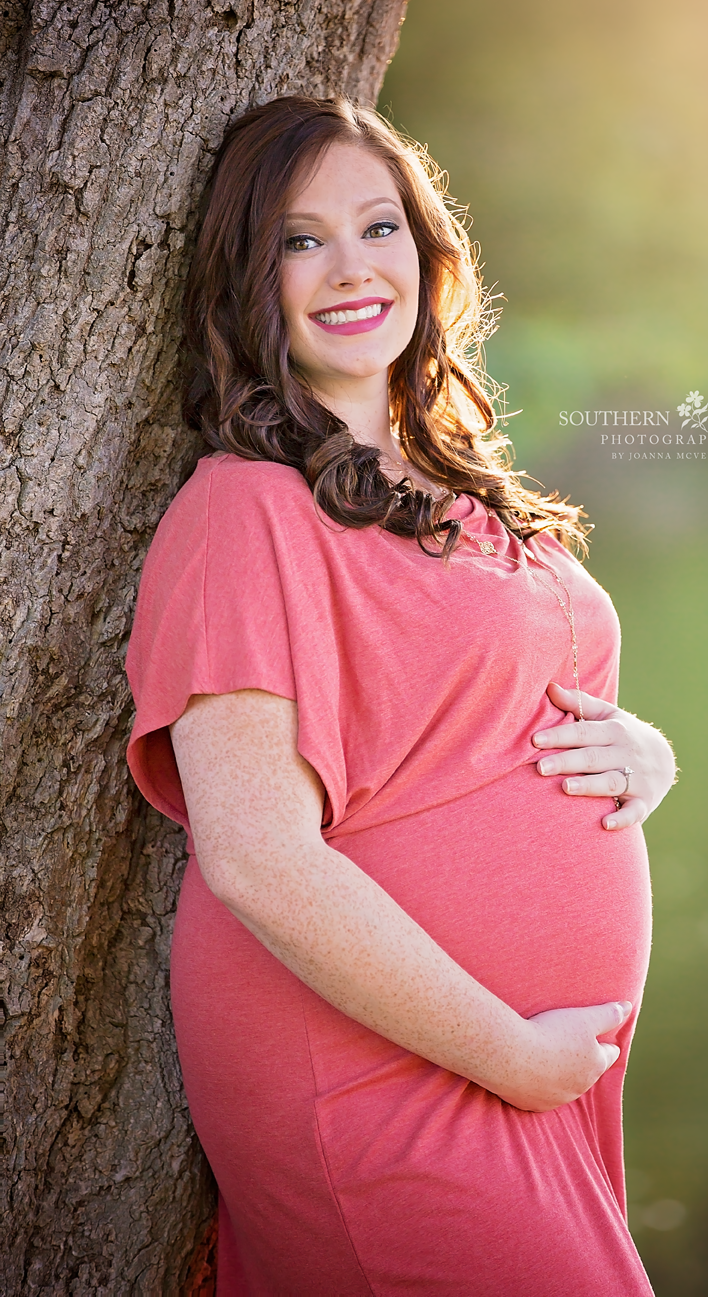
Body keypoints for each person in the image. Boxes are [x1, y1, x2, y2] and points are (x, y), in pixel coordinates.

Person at [126, 96, 675, 1296]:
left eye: (378, 226)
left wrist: (643, 752)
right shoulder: (243, 510)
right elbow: (258, 853)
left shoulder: (453, 489)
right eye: (299, 238)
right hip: (376, 1069)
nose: (348, 267)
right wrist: (509, 1051)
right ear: (246, 274)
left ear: (429, 255)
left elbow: (486, 707)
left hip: (528, 1062)